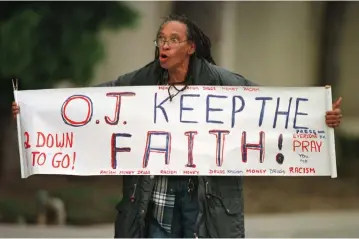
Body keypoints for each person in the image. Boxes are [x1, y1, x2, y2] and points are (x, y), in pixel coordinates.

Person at [12, 14, 343, 238]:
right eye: (160, 39)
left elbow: (271, 112)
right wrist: (34, 108)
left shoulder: (221, 83)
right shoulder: (143, 79)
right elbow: (97, 98)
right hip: (155, 196)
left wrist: (319, 118)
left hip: (204, 197)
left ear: (191, 47)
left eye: (173, 39)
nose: (164, 45)